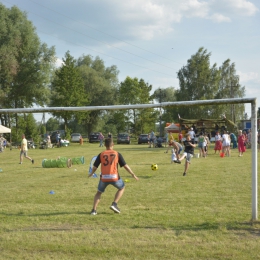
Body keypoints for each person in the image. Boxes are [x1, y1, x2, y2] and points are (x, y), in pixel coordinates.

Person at [88, 138, 138, 215]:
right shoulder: (117, 154)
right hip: (114, 177)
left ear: (104, 145)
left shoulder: (101, 154)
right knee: (122, 188)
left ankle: (94, 210)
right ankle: (114, 204)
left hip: (104, 178)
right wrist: (133, 174)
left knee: (99, 192)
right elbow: (125, 166)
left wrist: (91, 173)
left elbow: (95, 167)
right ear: (113, 144)